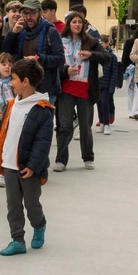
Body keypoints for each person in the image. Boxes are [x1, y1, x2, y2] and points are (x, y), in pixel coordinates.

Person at [0, 58, 54, 257]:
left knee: (32, 205)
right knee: (13, 205)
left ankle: (39, 225)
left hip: (28, 169)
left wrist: (34, 166)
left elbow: (43, 143)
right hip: (9, 165)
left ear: (25, 81)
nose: (11, 82)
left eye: (14, 79)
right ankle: (17, 239)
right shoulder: (12, 104)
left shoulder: (42, 110)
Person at [55, 13, 101, 170]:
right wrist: (65, 71)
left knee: (85, 127)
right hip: (66, 90)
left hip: (85, 91)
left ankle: (88, 157)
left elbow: (106, 58)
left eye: (80, 22)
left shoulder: (91, 41)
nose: (77, 24)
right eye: (74, 22)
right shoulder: (60, 41)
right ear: (68, 24)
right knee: (65, 126)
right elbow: (54, 64)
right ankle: (61, 160)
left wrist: (91, 54)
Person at [8, 0, 66, 101]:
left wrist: (38, 59)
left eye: (32, 13)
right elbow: (7, 53)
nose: (28, 17)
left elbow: (60, 59)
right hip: (24, 87)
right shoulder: (20, 29)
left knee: (43, 117)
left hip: (46, 89)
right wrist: (12, 34)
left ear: (40, 13)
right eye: (25, 13)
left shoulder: (51, 31)